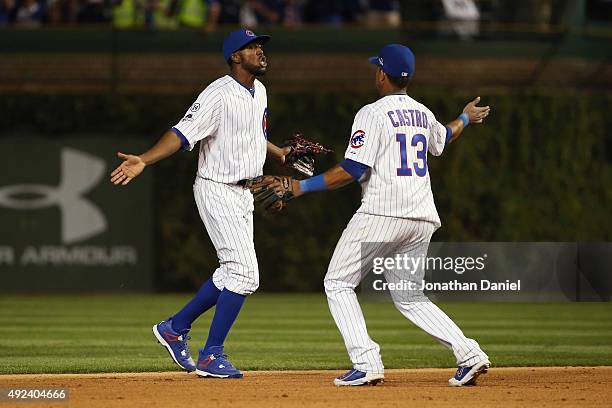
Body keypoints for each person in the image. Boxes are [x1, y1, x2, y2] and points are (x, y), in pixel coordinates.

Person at [255, 44, 491, 386]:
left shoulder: (372, 113)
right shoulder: (423, 113)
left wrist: (299, 188)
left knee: (338, 282)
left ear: (382, 73)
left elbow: (351, 169)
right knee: (409, 296)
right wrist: (466, 117)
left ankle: (366, 363)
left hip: (383, 213)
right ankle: (470, 354)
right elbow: (445, 136)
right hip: (422, 217)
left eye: (376, 69)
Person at [110, 28, 290, 379]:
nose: (260, 52)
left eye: (261, 47)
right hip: (217, 188)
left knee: (230, 272)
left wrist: (278, 151)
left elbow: (254, 134)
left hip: (244, 192)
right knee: (245, 274)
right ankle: (212, 355)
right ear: (235, 56)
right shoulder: (218, 94)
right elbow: (181, 133)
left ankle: (174, 329)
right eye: (252, 48)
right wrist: (145, 159)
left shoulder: (260, 90)